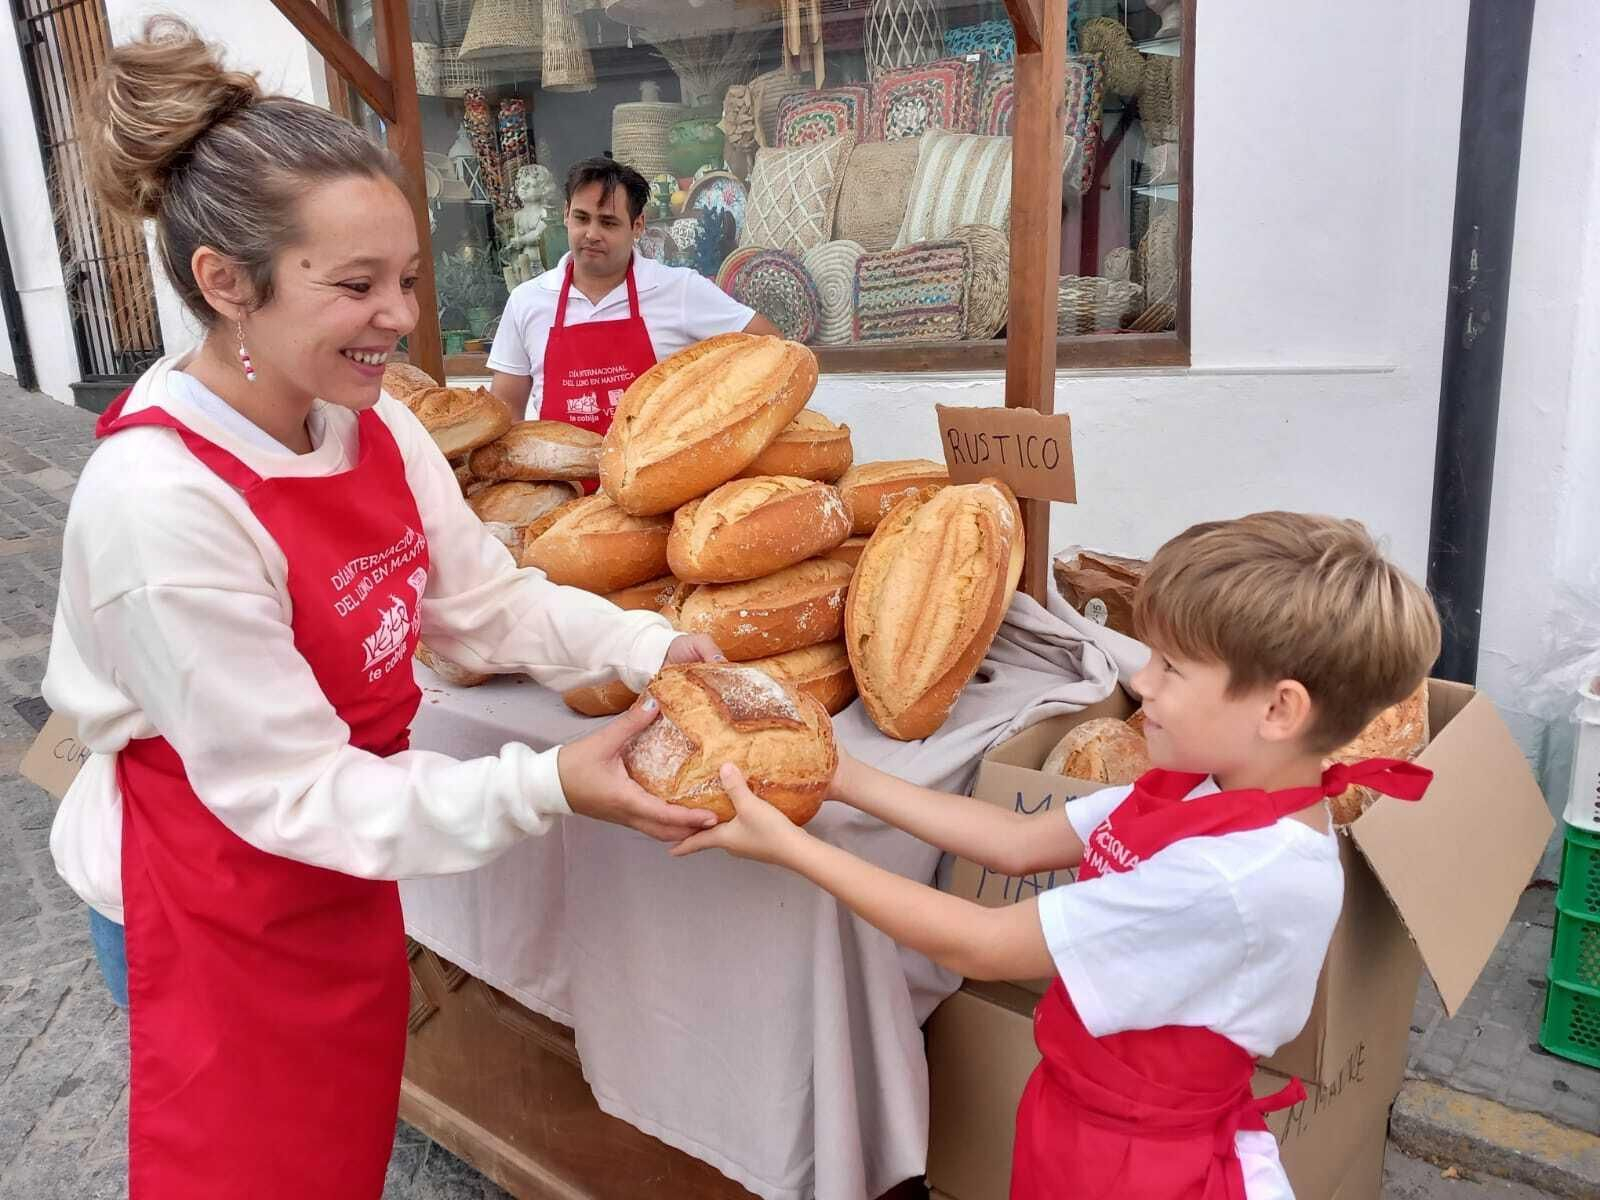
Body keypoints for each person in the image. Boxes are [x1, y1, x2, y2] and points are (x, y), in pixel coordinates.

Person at [44, 20, 721, 1199]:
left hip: (341, 872)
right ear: (225, 284)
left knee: (338, 1158)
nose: (400, 317)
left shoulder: (370, 420)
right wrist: (551, 785)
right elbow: (295, 792)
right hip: (213, 890)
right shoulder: (158, 504)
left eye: (406, 278)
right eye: (355, 285)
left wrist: (649, 641)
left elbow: (483, 606)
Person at [674, 512, 1443, 1200]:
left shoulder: (1234, 877)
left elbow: (978, 942)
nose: (1140, 681)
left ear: (1279, 709)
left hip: (1147, 1169)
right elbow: (1011, 843)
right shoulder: (1200, 790)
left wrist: (792, 849)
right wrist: (841, 777)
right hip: (1080, 1122)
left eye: (1171, 668)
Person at [487, 156, 779, 429]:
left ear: (637, 225)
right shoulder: (527, 300)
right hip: (561, 481)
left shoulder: (680, 289)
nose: (591, 234)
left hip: (656, 479)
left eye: (608, 222)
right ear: (565, 215)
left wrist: (716, 415)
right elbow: (505, 410)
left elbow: (772, 349)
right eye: (581, 218)